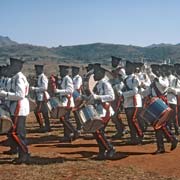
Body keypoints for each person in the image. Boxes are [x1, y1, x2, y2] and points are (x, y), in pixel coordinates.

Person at [141, 64, 178, 154]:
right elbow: (147, 92)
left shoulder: (163, 79)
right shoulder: (153, 82)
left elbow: (164, 86)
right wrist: (141, 89)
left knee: (160, 125)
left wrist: (156, 77)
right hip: (154, 103)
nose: (154, 72)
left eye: (156, 70)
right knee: (157, 125)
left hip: (161, 103)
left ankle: (165, 143)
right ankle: (169, 141)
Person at [0, 57, 30, 164]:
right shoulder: (15, 77)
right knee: (15, 132)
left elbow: (20, 95)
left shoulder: (20, 77)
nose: (10, 67)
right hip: (14, 106)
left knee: (17, 132)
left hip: (19, 107)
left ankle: (24, 154)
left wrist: (5, 94)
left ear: (18, 66)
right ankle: (21, 153)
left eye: (13, 65)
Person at [90, 66, 116, 159]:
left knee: (98, 130)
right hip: (99, 110)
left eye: (96, 73)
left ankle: (110, 148)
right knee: (96, 131)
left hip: (106, 111)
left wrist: (98, 97)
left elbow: (112, 96)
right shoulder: (97, 84)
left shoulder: (105, 83)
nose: (94, 75)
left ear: (102, 74)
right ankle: (102, 151)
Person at [54, 65, 79, 142]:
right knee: (64, 119)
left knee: (65, 119)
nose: (60, 72)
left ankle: (74, 131)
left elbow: (70, 90)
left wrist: (58, 91)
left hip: (67, 102)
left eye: (62, 71)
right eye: (60, 70)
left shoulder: (67, 79)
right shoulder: (63, 79)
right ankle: (67, 136)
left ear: (66, 71)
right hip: (64, 101)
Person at [31, 64, 51, 132]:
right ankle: (43, 126)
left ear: (41, 70)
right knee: (40, 112)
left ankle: (45, 126)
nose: (36, 70)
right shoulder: (38, 77)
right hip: (39, 97)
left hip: (43, 97)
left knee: (42, 112)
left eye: (38, 69)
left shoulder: (43, 77)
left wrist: (35, 89)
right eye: (36, 69)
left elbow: (44, 88)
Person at [71, 66, 83, 131]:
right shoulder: (72, 78)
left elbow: (77, 87)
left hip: (77, 97)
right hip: (73, 97)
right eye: (72, 70)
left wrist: (70, 87)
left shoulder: (78, 78)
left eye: (74, 70)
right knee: (75, 113)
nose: (73, 71)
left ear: (77, 71)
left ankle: (80, 125)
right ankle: (79, 125)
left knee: (78, 112)